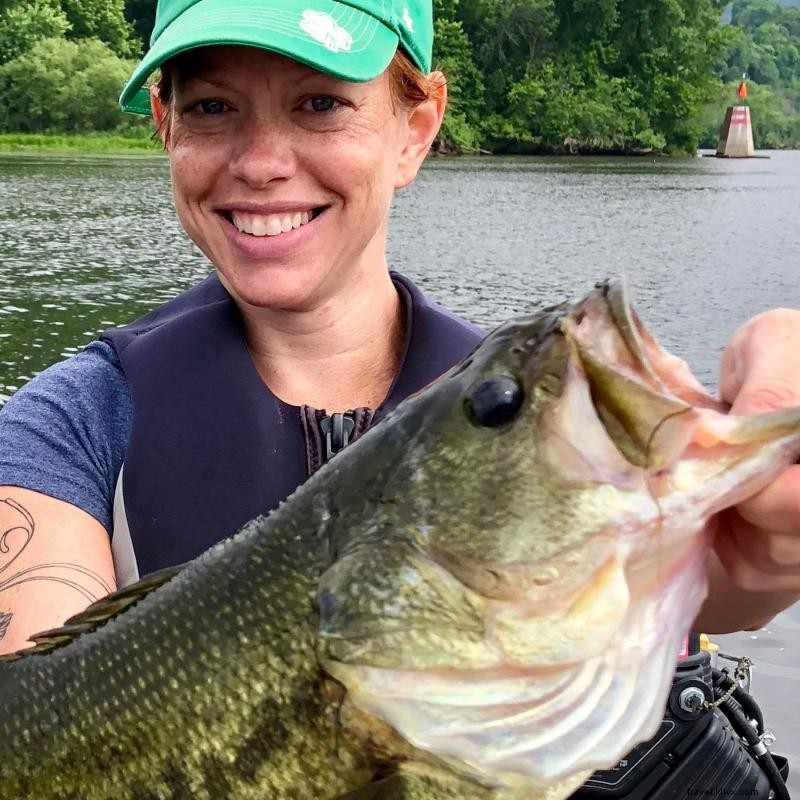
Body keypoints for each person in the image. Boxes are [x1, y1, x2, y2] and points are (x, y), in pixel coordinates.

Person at [0, 0, 798, 712]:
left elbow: (673, 589)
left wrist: (750, 559)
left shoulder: (515, 423)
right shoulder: (69, 427)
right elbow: (42, 709)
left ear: (416, 130)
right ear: (164, 125)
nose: (261, 162)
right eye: (213, 107)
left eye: (320, 104)